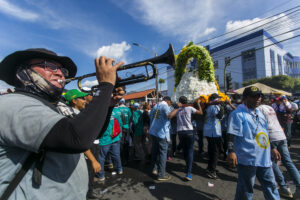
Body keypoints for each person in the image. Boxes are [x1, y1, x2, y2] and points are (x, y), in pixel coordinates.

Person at [0, 48, 124, 199]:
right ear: (23, 70)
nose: (60, 73)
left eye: (61, 69)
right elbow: (76, 138)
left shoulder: (53, 106)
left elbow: (92, 133)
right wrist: (104, 87)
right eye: (49, 66)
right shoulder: (12, 104)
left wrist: (109, 105)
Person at [227, 86, 280, 200]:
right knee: (246, 189)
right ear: (245, 98)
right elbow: (231, 134)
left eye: (259, 96)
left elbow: (265, 132)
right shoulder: (237, 114)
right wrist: (231, 151)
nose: (257, 99)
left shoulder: (259, 113)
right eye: (253, 97)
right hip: (248, 158)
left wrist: (273, 148)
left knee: (271, 186)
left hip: (264, 158)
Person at [258, 100, 300, 199]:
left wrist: (271, 145)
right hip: (281, 135)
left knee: (271, 162)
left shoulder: (258, 109)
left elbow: (261, 127)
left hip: (271, 137)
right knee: (288, 162)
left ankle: (283, 186)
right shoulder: (270, 108)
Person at [64, 89, 101, 200]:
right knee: (86, 174)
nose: (85, 100)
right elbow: (79, 141)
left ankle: (89, 192)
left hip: (92, 146)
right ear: (74, 101)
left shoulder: (82, 113)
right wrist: (93, 160)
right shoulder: (71, 118)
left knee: (90, 174)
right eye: (82, 98)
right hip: (85, 151)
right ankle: (86, 194)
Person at [169, 96, 203, 181]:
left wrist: (176, 107)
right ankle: (189, 172)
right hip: (189, 132)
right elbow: (200, 113)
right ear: (186, 101)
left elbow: (170, 116)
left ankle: (188, 165)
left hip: (180, 132)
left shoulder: (178, 110)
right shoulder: (189, 108)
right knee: (190, 150)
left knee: (185, 151)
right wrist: (198, 104)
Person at [97, 105, 124, 181]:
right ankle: (119, 169)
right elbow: (120, 123)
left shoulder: (100, 112)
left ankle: (101, 175)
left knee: (101, 157)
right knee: (116, 155)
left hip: (105, 139)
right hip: (115, 137)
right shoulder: (114, 111)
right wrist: (119, 135)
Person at [149, 96, 172, 181]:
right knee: (163, 154)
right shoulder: (165, 105)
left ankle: (154, 169)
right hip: (162, 133)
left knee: (155, 152)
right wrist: (177, 109)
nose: (170, 104)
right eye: (170, 103)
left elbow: (150, 116)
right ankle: (161, 174)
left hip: (154, 132)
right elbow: (169, 116)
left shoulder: (156, 106)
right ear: (168, 101)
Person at [203, 93, 224, 179]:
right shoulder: (213, 107)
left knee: (212, 151)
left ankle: (209, 167)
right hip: (213, 132)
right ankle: (212, 170)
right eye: (218, 99)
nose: (220, 100)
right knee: (215, 152)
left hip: (213, 131)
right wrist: (222, 108)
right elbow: (219, 116)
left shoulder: (213, 106)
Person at [118, 98, 132, 165]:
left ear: (120, 102)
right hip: (127, 127)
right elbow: (130, 118)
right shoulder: (128, 109)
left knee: (121, 143)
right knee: (126, 143)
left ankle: (121, 158)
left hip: (120, 128)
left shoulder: (117, 109)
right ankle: (127, 158)